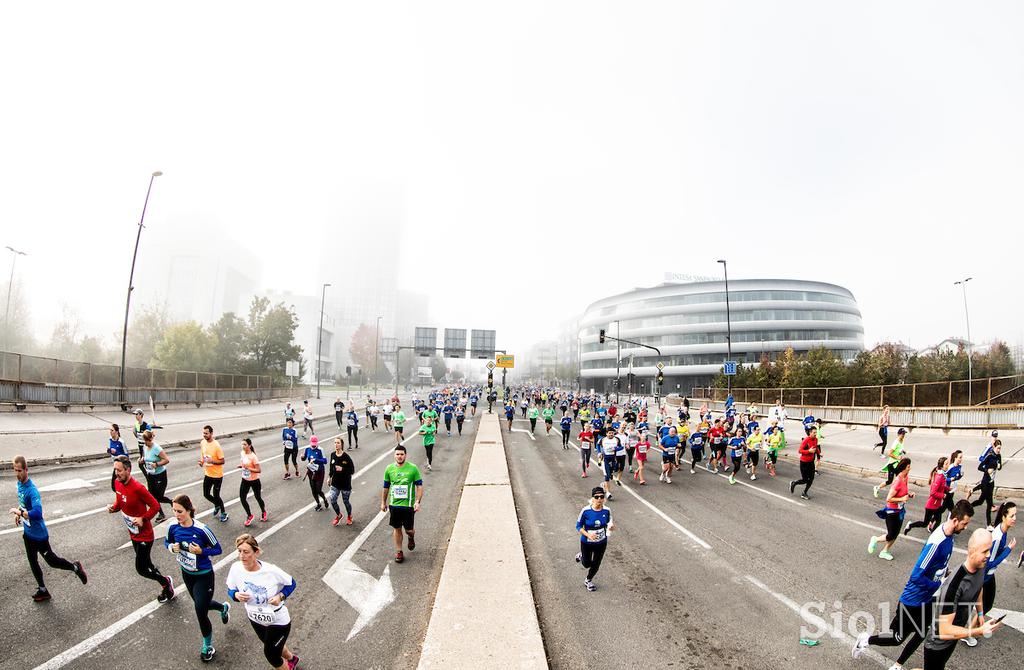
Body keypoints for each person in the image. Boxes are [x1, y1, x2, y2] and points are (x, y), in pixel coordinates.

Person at [853, 500, 975, 667]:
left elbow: (940, 565)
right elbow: (916, 576)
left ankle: (897, 665)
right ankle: (864, 640)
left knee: (921, 633)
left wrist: (945, 574)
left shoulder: (950, 536)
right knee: (896, 638)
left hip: (928, 599)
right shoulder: (936, 542)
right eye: (964, 523)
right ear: (955, 520)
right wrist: (939, 586)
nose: (965, 527)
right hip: (912, 600)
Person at [913, 529, 1002, 670]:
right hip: (938, 645)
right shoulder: (954, 586)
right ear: (972, 551)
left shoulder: (981, 567)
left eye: (989, 550)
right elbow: (944, 630)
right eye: (985, 551)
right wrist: (977, 631)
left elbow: (978, 588)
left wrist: (980, 613)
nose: (989, 555)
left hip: (954, 636)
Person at [10, 455, 87, 602]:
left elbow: (38, 513)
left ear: (26, 470)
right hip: (28, 534)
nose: (17, 474)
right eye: (15, 470)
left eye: (20, 471)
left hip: (39, 536)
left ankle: (75, 567)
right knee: (32, 562)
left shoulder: (32, 490)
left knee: (52, 561)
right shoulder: (19, 484)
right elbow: (24, 503)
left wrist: (20, 512)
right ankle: (43, 590)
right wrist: (20, 512)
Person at [165, 494, 229, 662]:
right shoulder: (173, 527)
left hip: (204, 576)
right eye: (174, 511)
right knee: (203, 605)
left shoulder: (202, 529)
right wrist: (172, 547)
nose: (177, 515)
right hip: (187, 574)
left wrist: (202, 551)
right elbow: (167, 542)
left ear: (189, 510)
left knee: (200, 611)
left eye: (180, 511)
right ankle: (223, 608)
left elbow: (218, 549)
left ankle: (207, 646)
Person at [226, 534, 299, 670]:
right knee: (271, 645)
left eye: (246, 552)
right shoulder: (236, 568)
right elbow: (230, 589)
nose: (242, 556)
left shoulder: (270, 570)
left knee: (271, 654)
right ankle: (291, 659)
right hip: (255, 617)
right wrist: (235, 595)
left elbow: (291, 583)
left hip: (277, 619)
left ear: (256, 552)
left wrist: (280, 596)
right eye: (239, 551)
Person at [108, 455, 175, 603]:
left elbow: (155, 506)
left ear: (128, 470)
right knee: (147, 565)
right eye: (115, 470)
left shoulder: (138, 488)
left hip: (145, 535)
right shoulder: (117, 483)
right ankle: (166, 585)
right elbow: (120, 501)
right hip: (133, 533)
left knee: (141, 568)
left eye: (119, 471)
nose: (116, 474)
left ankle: (166, 582)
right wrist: (114, 508)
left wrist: (143, 518)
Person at [973, 502, 1016, 648]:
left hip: (990, 575)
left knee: (986, 605)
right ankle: (970, 633)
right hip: (985, 576)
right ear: (1004, 516)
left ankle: (972, 630)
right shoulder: (997, 537)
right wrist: (1008, 550)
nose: (1014, 518)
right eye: (1012, 515)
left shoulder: (1003, 530)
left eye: (1015, 515)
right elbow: (989, 562)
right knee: (983, 605)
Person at [381, 445, 423, 564]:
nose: (399, 456)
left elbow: (419, 486)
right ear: (394, 455)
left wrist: (417, 501)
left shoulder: (413, 468)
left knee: (409, 530)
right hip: (394, 505)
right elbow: (385, 487)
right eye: (397, 454)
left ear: (405, 455)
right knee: (397, 528)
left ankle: (411, 537)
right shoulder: (389, 469)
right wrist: (383, 502)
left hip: (408, 505)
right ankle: (399, 551)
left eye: (402, 454)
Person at [868, 458, 915, 561]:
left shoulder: (905, 477)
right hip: (892, 511)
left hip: (900, 510)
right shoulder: (897, 481)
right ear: (903, 468)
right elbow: (889, 498)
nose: (910, 468)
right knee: (890, 535)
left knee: (896, 533)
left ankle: (884, 551)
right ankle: (875, 539)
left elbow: (903, 492)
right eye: (908, 467)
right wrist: (902, 499)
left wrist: (909, 494)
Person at [574, 487, 615, 592]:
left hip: (601, 542)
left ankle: (588, 580)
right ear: (592, 498)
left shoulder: (607, 510)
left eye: (601, 497)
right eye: (597, 497)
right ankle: (582, 555)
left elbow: (609, 522)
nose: (599, 499)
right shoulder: (586, 511)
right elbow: (578, 526)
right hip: (587, 542)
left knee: (596, 563)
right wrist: (588, 535)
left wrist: (611, 527)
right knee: (586, 564)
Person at [904, 458, 948, 536]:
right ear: (941, 466)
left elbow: (942, 487)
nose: (948, 465)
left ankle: (933, 534)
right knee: (925, 523)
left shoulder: (943, 475)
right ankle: (910, 525)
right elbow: (933, 492)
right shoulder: (939, 477)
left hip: (937, 504)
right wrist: (943, 495)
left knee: (938, 520)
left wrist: (947, 489)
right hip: (931, 505)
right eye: (946, 464)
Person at [139, 430, 172, 523]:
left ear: (149, 439)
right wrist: (142, 460)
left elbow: (166, 460)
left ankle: (171, 502)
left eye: (145, 441)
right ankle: (161, 514)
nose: (144, 443)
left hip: (160, 475)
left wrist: (157, 464)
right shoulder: (145, 447)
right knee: (152, 497)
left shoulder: (157, 448)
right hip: (151, 475)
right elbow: (146, 458)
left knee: (159, 497)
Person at [198, 425, 228, 522]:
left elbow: (222, 461)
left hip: (217, 476)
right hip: (208, 474)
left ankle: (223, 513)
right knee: (206, 494)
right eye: (203, 433)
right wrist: (202, 462)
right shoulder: (203, 443)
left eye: (206, 433)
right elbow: (203, 454)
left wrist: (213, 461)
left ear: (211, 433)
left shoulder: (216, 445)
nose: (204, 435)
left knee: (216, 495)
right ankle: (217, 505)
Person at [969, 439, 1001, 527]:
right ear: (994, 447)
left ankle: (968, 507)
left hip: (991, 482)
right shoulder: (989, 456)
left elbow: (1000, 466)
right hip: (986, 481)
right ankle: (989, 525)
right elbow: (979, 467)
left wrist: (999, 466)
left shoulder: (998, 456)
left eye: (1000, 448)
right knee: (989, 504)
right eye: (998, 448)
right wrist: (987, 470)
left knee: (980, 501)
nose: (999, 450)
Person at [239, 438, 268, 526]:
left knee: (258, 497)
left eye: (245, 444)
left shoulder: (253, 457)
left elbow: (259, 470)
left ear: (249, 445)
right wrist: (241, 466)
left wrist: (249, 468)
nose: (243, 446)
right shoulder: (242, 453)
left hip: (254, 480)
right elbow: (244, 464)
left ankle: (263, 512)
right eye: (242, 444)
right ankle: (249, 515)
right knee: (242, 498)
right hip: (245, 479)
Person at [328, 437, 355, 527]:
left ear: (342, 444)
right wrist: (329, 477)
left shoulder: (346, 457)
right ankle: (339, 515)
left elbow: (352, 470)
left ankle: (349, 516)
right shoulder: (332, 455)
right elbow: (331, 468)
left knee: (346, 501)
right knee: (332, 500)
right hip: (335, 483)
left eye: (338, 443)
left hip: (345, 484)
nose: (336, 444)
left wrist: (342, 469)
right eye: (335, 442)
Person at [875, 428, 908, 498]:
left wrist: (903, 451)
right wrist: (897, 457)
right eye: (902, 434)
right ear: (898, 434)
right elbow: (890, 453)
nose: (903, 435)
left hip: (898, 464)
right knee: (890, 481)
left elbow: (899, 449)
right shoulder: (896, 442)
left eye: (904, 434)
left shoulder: (902, 440)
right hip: (892, 464)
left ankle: (901, 492)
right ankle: (877, 488)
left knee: (901, 477)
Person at [789, 426, 820, 500]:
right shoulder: (806, 440)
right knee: (805, 480)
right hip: (804, 463)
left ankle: (804, 493)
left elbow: (816, 447)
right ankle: (794, 483)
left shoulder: (816, 439)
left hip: (811, 462)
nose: (815, 434)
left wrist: (819, 453)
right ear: (810, 432)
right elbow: (800, 451)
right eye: (814, 432)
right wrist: (808, 451)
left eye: (816, 432)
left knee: (811, 479)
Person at [300, 436, 328, 511]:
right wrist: (302, 457)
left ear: (317, 443)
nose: (313, 446)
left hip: (319, 472)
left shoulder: (320, 450)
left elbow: (325, 461)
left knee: (318, 489)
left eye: (314, 444)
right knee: (313, 490)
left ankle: (324, 499)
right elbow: (304, 458)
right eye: (312, 444)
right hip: (311, 472)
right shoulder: (307, 449)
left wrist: (316, 460)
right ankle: (318, 504)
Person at [597, 428, 620, 499]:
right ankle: (608, 493)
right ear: (606, 433)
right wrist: (599, 452)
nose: (611, 434)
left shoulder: (616, 439)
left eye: (612, 433)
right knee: (607, 476)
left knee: (612, 473)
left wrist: (616, 449)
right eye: (609, 433)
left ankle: (604, 485)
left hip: (613, 459)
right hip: (605, 459)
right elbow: (598, 445)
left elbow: (621, 447)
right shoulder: (603, 439)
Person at [108, 424, 128, 491]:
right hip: (115, 465)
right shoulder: (110, 439)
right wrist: (110, 451)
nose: (110, 432)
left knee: (117, 485)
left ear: (116, 432)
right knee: (115, 486)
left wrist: (116, 453)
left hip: (122, 466)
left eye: (112, 430)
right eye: (110, 430)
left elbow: (126, 456)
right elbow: (112, 452)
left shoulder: (121, 442)